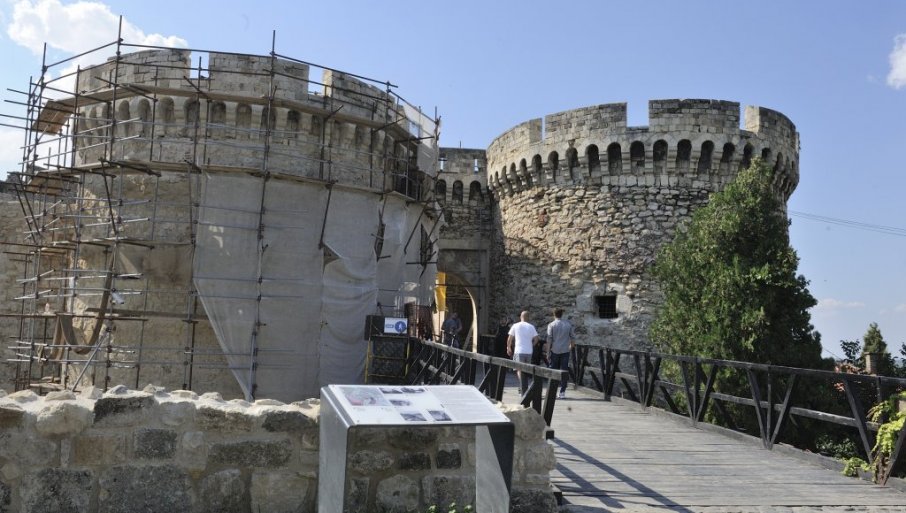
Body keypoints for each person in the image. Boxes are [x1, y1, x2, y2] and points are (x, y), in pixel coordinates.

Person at [507, 310, 539, 395]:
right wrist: (531, 345)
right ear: (528, 317)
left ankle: (523, 388)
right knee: (526, 370)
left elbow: (510, 338)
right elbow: (536, 339)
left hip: (519, 351)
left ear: (521, 317)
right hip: (529, 351)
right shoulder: (531, 326)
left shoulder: (515, 325)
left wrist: (508, 347)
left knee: (519, 369)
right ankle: (523, 387)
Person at [546, 307, 576, 399]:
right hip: (565, 350)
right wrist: (571, 346)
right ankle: (562, 392)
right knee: (564, 371)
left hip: (555, 350)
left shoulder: (551, 325)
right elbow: (573, 337)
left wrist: (547, 352)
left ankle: (552, 390)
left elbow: (549, 339)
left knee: (553, 371)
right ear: (562, 314)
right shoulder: (568, 324)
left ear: (554, 314)